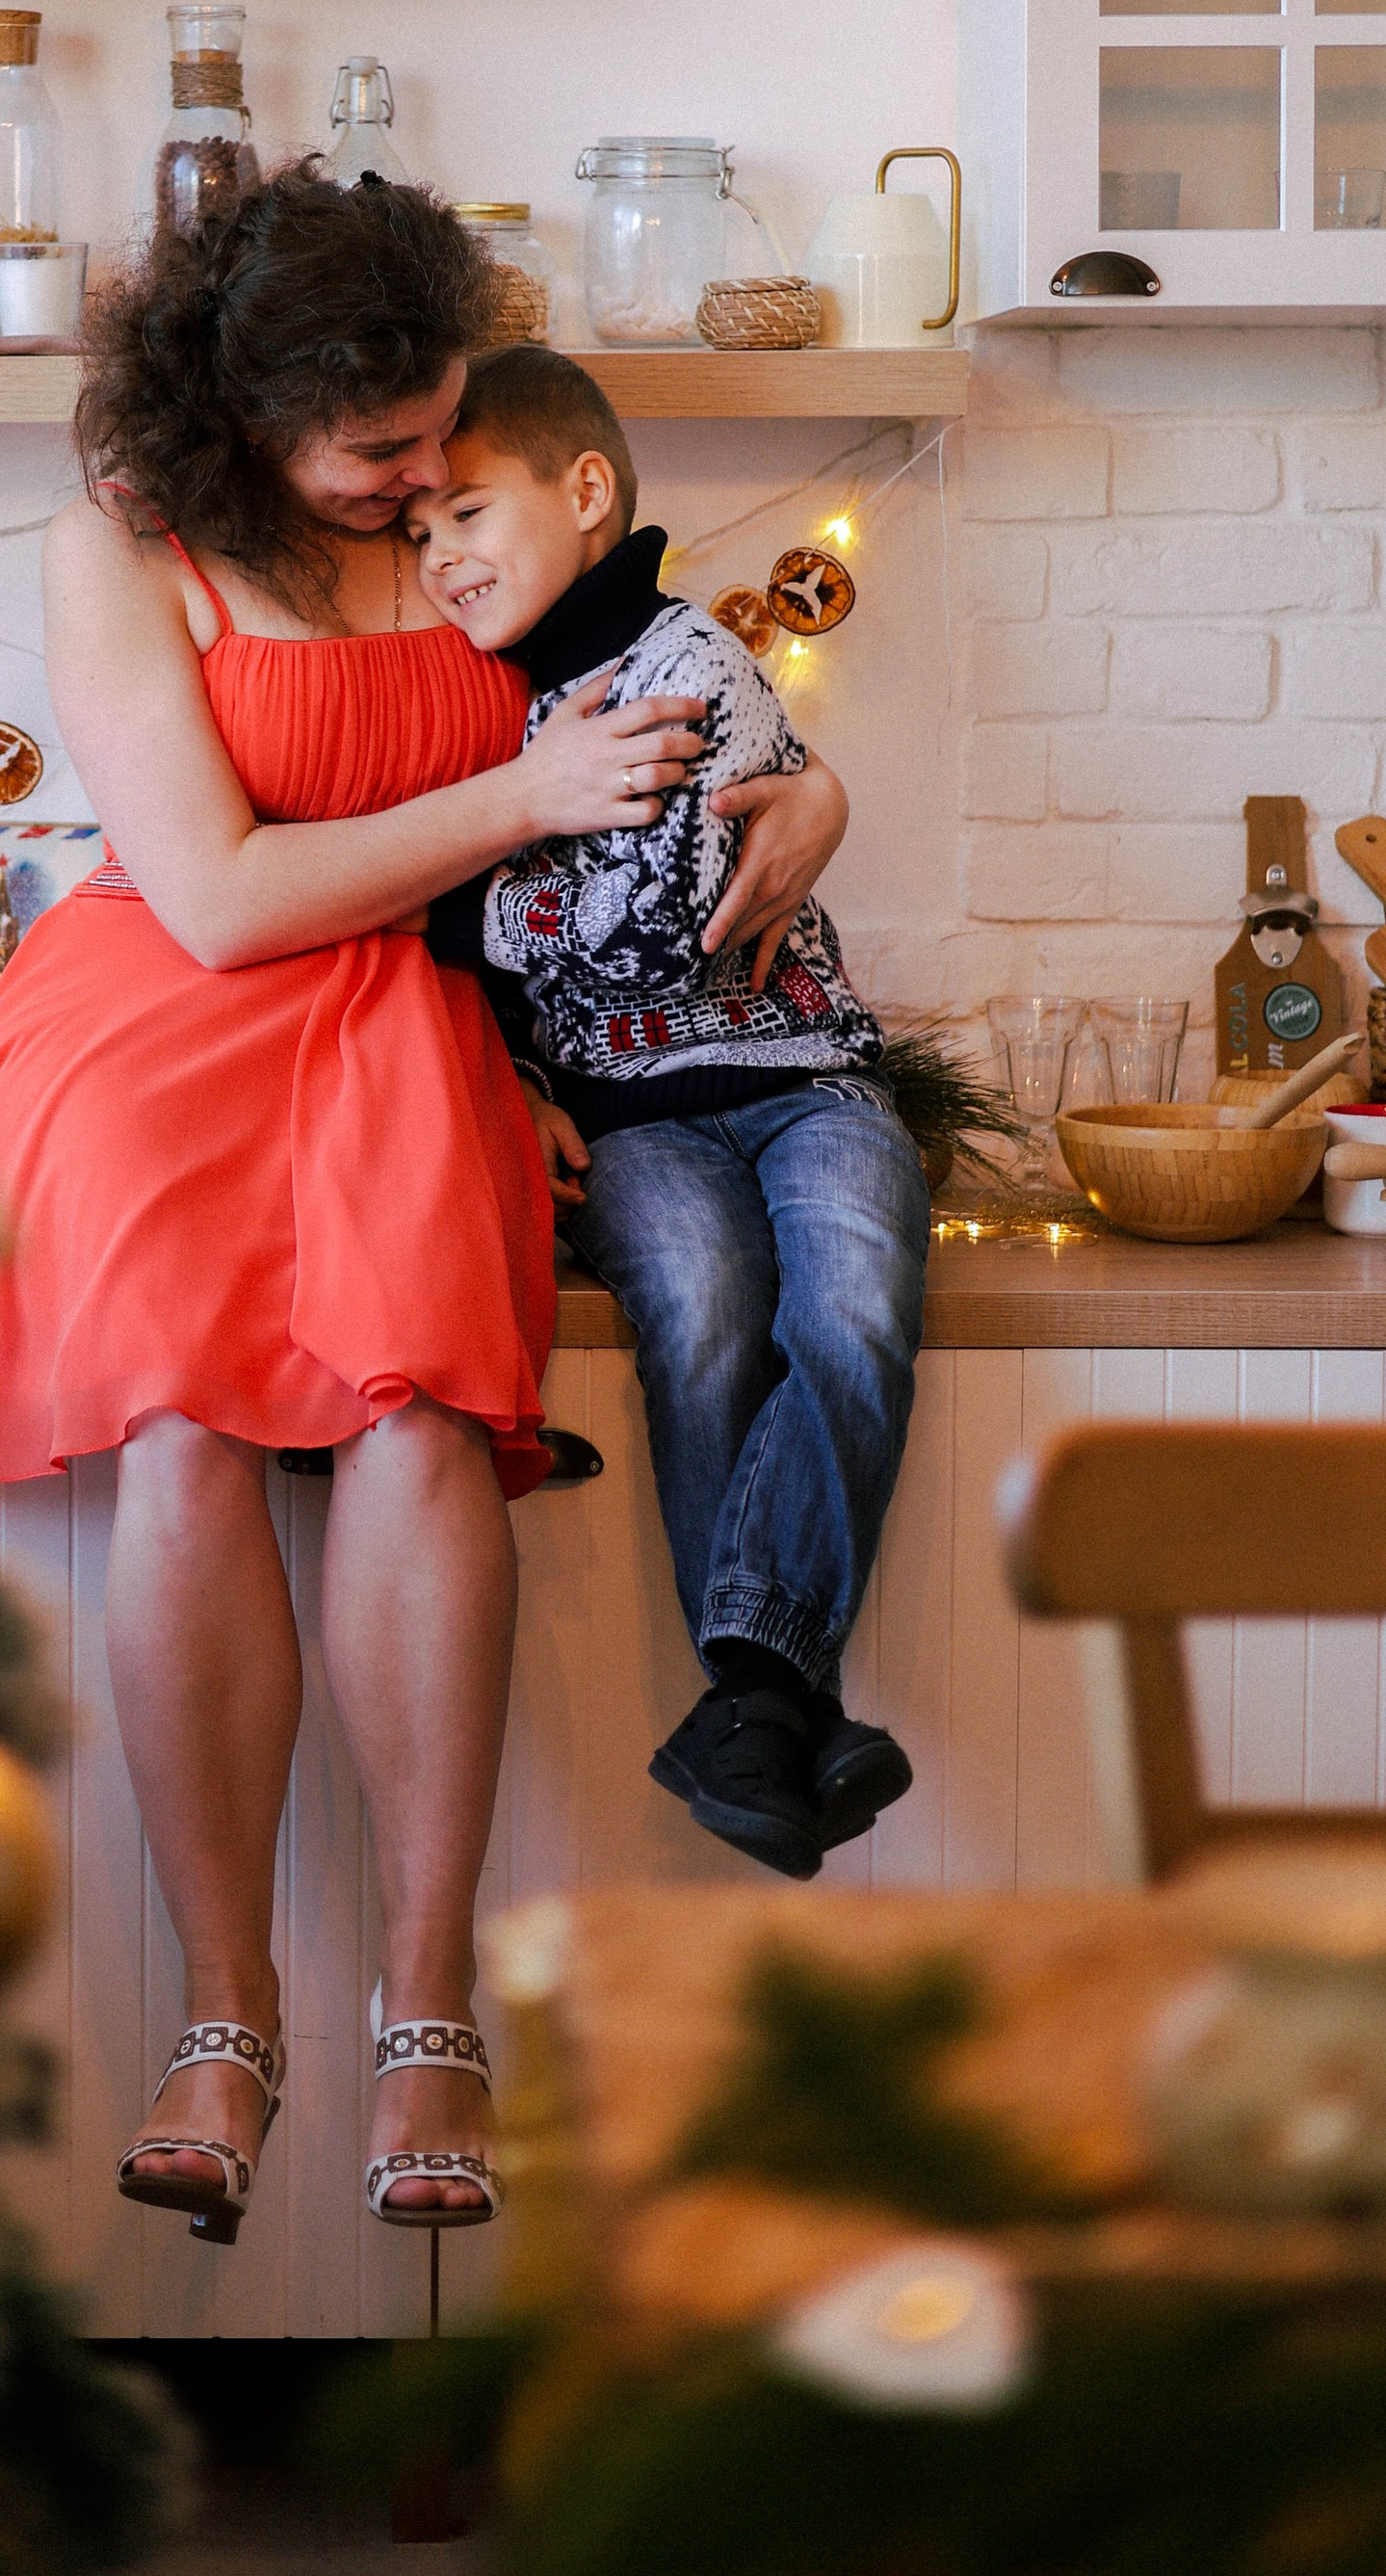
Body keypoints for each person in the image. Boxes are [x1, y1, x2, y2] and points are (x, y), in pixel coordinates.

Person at [0, 175, 854, 2247]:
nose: (420, 484)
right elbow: (210, 895)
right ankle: (222, 2015)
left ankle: (426, 2002)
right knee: (185, 1418)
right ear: (242, 420)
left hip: (407, 1001)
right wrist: (516, 799)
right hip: (165, 1001)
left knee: (412, 1416)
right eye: (375, 452)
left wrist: (811, 794)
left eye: (439, 431)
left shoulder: (471, 506)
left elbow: (682, 693)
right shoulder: (121, 542)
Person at [411, 341, 928, 1884]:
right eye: (417, 532)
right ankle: (774, 1711)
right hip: (625, 1117)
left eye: (467, 515)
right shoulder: (469, 699)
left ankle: (750, 1695)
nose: (440, 558)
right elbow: (551, 906)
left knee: (853, 1283)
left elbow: (672, 915)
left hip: (798, 1074)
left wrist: (450, 906)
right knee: (699, 1307)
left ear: (584, 493)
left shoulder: (693, 664)